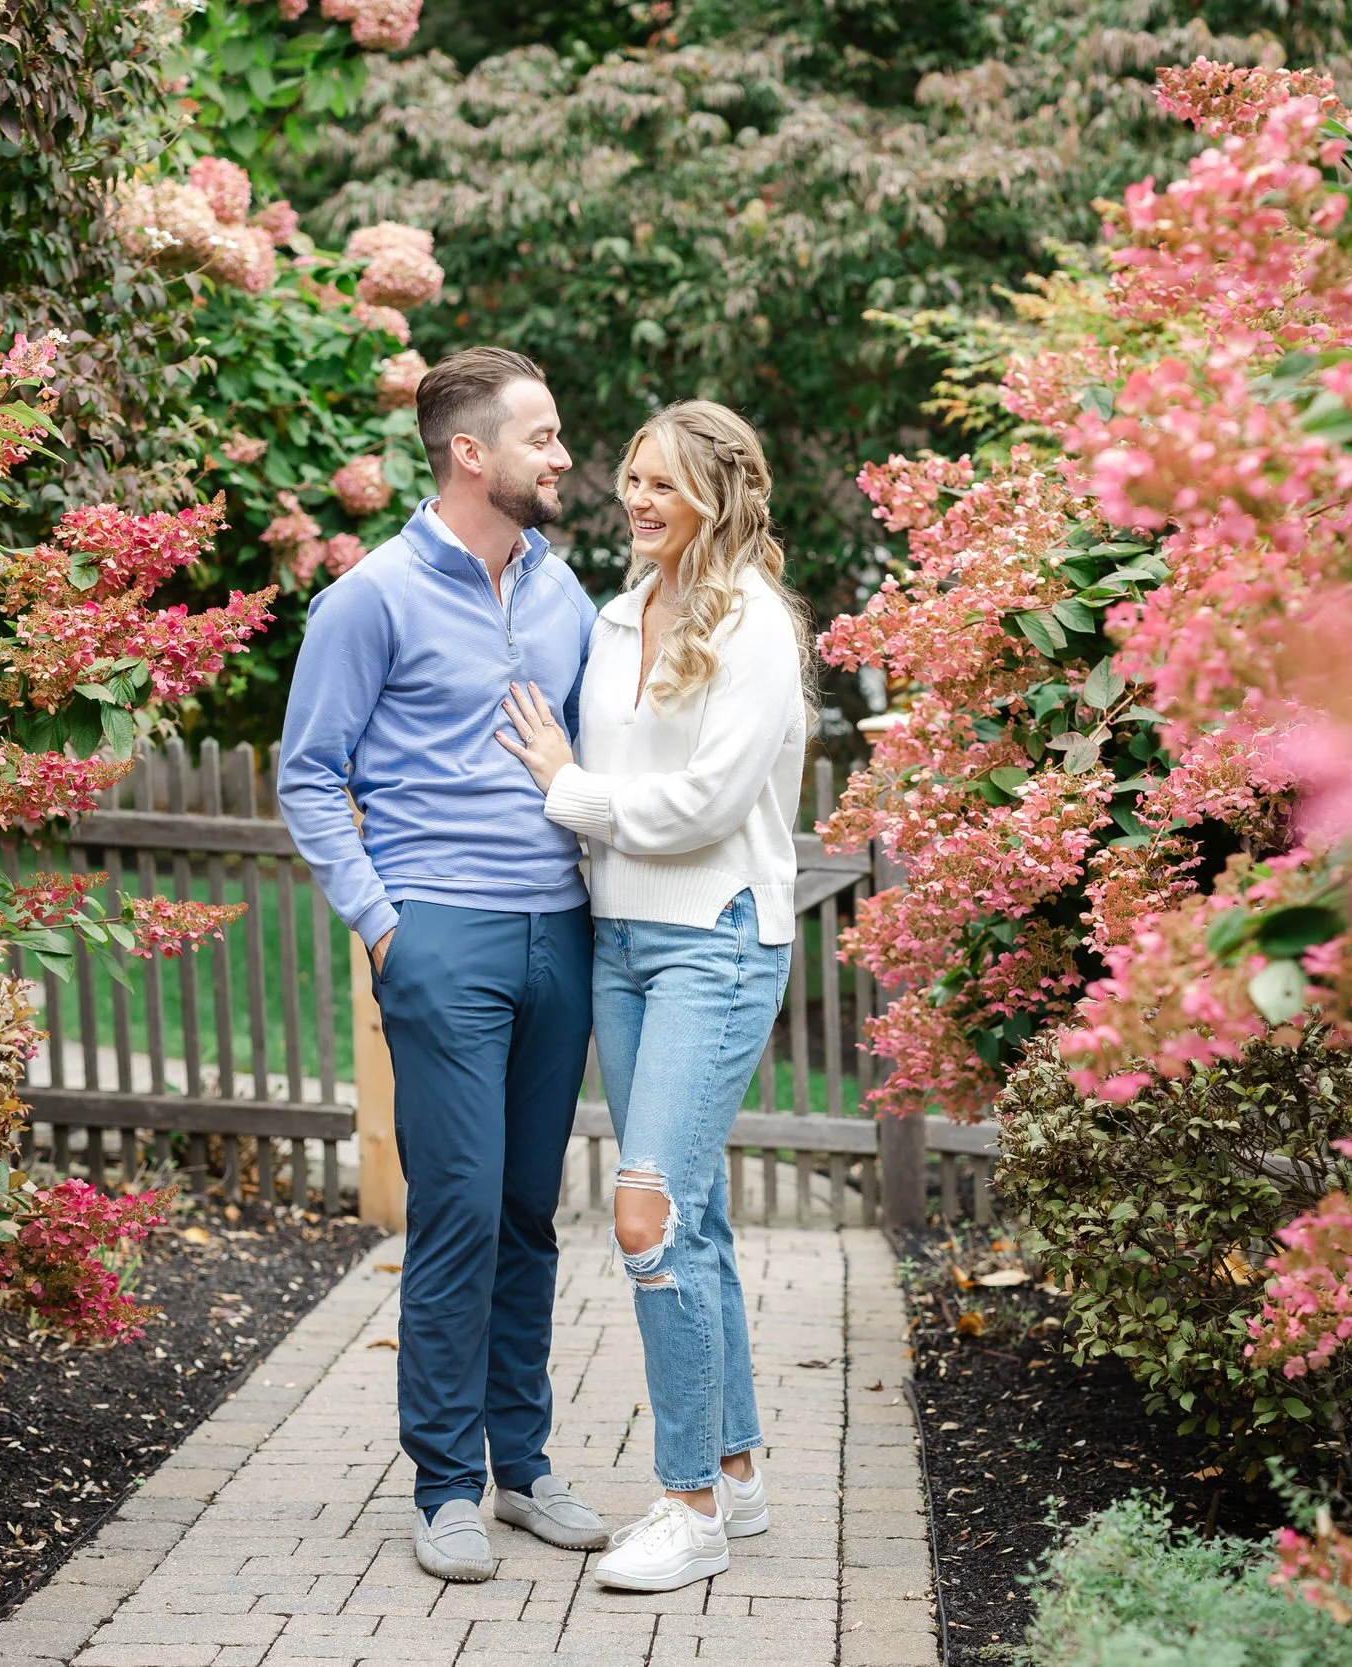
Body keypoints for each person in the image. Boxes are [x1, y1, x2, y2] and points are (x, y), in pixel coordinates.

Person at [277, 345, 609, 1583]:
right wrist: (384, 922)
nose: (563, 455)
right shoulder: (368, 598)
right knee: (460, 1209)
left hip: (558, 933)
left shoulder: (564, 593)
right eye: (542, 435)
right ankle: (443, 1484)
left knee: (527, 1208)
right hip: (441, 936)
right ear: (471, 453)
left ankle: (522, 1466)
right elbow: (310, 774)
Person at [495, 399, 810, 1593]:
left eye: (664, 483)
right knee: (696, 1216)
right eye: (632, 475)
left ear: (717, 496)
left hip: (713, 939)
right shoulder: (619, 612)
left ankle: (686, 1510)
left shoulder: (756, 624)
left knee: (646, 1215)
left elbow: (707, 804)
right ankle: (735, 1469)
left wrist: (569, 788)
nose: (637, 497)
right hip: (618, 939)